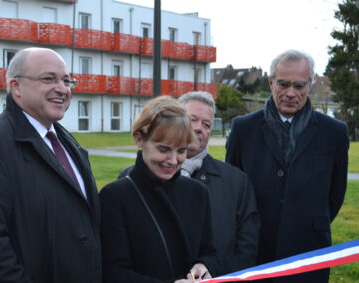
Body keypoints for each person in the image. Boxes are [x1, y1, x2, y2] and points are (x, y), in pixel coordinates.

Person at [0, 47, 101, 282]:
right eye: (49, 79)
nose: (62, 88)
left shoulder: (68, 143)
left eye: (66, 80)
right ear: (16, 87)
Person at [226, 50, 349, 282]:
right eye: (283, 84)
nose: (291, 93)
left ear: (310, 85)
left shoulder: (334, 132)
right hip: (256, 251)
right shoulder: (243, 129)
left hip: (310, 252)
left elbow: (336, 194)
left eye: (299, 86)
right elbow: (233, 190)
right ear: (271, 82)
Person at [100, 96, 219, 282]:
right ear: (139, 139)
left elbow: (209, 252)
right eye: (163, 149)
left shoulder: (198, 193)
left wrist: (204, 265)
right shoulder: (115, 197)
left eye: (181, 151)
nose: (173, 160)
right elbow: (114, 272)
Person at [177, 91, 260, 275]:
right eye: (192, 120)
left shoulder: (236, 182)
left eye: (206, 124)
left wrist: (216, 273)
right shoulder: (142, 178)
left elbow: (247, 248)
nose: (199, 128)